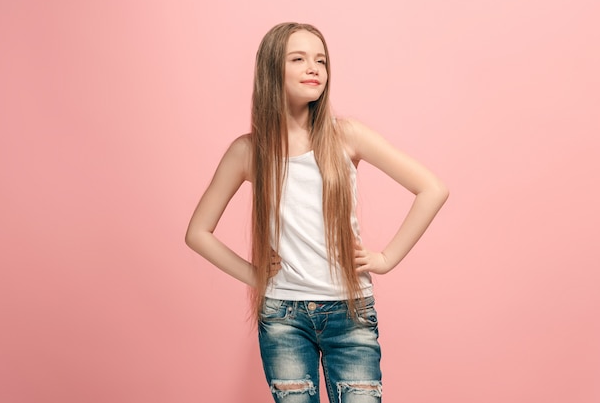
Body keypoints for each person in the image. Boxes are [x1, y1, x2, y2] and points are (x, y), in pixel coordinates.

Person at [185, 22, 449, 403]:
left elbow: (432, 189)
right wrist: (253, 274)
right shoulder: (248, 152)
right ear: (272, 69)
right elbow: (198, 232)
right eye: (299, 59)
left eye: (321, 61)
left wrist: (386, 258)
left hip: (351, 311)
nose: (314, 68)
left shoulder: (347, 136)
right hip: (283, 318)